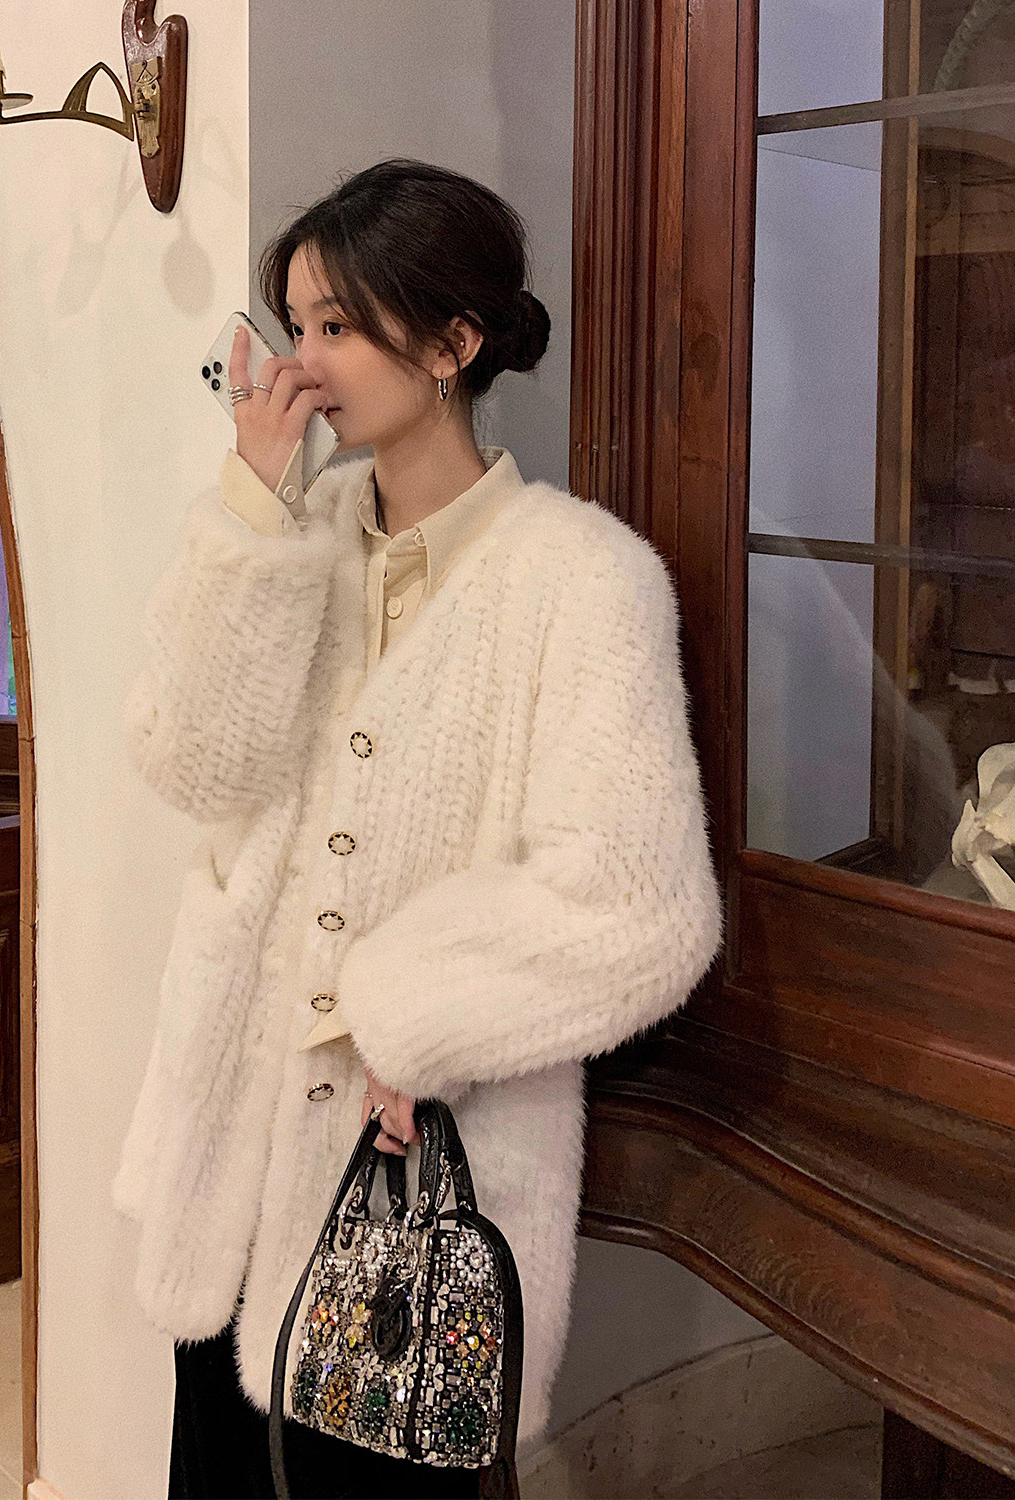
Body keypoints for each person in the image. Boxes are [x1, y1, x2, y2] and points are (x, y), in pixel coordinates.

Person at [114, 158, 721, 1499]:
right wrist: (251, 509)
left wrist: (411, 1019)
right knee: (213, 1474)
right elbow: (192, 759)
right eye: (297, 323)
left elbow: (638, 905)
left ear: (452, 344)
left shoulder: (584, 579)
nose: (303, 363)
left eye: (338, 324)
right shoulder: (291, 538)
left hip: (410, 1193)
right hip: (229, 1140)